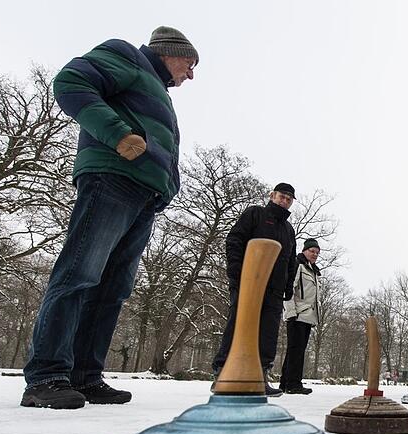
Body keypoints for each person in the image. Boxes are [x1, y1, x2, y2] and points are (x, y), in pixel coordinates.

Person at [21, 27, 199, 409]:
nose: (190, 74)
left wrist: (167, 187)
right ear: (169, 52)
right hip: (112, 179)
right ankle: (47, 375)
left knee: (112, 288)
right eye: (189, 63)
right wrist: (117, 134)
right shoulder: (128, 57)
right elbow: (70, 82)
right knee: (79, 273)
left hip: (144, 196)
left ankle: (84, 376)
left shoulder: (157, 91)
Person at [212, 183, 298, 397]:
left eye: (289, 199)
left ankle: (259, 376)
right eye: (282, 196)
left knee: (268, 332)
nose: (285, 201)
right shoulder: (255, 214)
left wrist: (288, 285)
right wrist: (235, 270)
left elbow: (290, 261)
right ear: (272, 195)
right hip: (248, 282)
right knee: (239, 324)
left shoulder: (288, 230)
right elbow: (234, 239)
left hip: (274, 290)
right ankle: (222, 374)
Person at [279, 238, 322, 395]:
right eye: (312, 251)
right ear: (305, 250)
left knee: (296, 350)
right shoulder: (298, 265)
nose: (315, 254)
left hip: (308, 317)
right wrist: (291, 313)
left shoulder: (314, 271)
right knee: (295, 350)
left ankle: (285, 383)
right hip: (297, 315)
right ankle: (293, 384)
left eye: (317, 253)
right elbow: (289, 289)